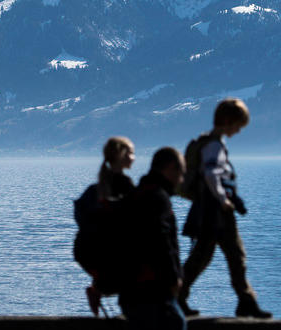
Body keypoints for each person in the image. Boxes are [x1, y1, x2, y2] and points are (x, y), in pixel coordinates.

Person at [179, 98, 271, 319]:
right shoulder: (215, 146)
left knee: (204, 257)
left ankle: (178, 296)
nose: (239, 131)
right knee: (231, 255)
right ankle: (245, 302)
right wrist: (224, 200)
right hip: (217, 211)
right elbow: (211, 174)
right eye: (238, 126)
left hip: (209, 210)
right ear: (229, 122)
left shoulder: (209, 142)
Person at [118, 147, 186, 330]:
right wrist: (174, 279)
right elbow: (162, 242)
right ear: (170, 168)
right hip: (153, 291)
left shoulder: (137, 194)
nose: (181, 180)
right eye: (181, 173)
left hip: (130, 290)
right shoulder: (158, 198)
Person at [85, 136, 136, 314]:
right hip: (116, 244)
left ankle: (98, 290)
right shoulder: (124, 184)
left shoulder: (102, 183)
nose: (133, 157)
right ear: (120, 155)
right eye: (130, 153)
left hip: (98, 245)